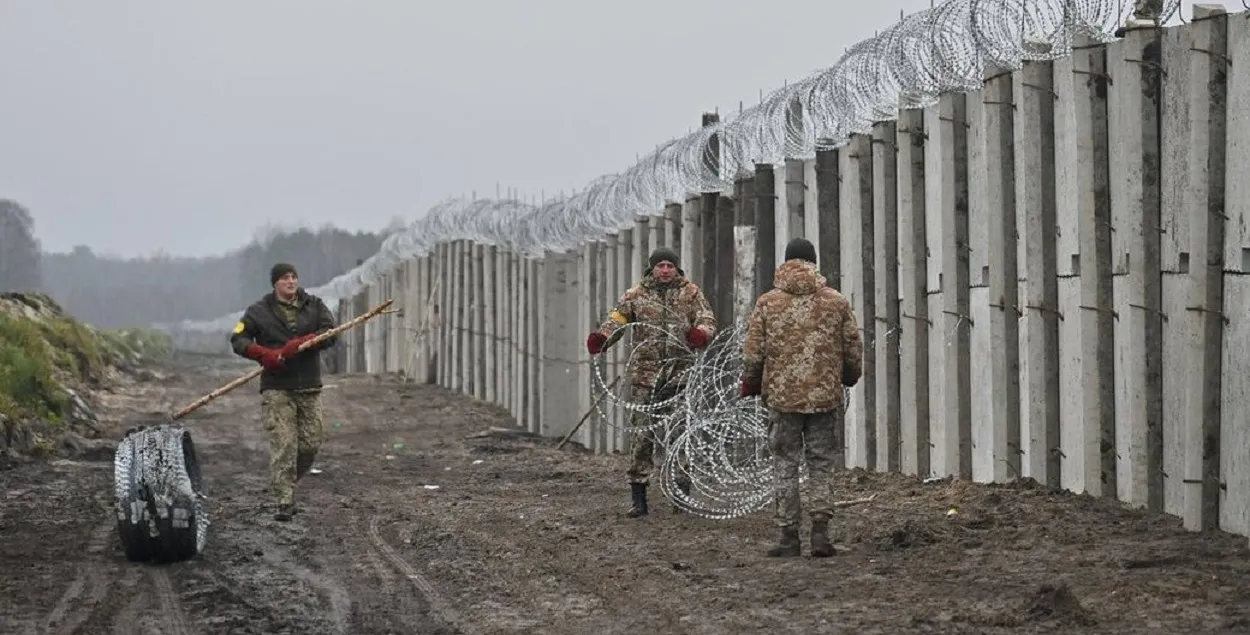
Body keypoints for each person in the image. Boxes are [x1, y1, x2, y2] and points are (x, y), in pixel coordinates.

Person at [740, 238, 862, 557]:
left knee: (785, 463)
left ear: (786, 262)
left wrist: (751, 383)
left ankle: (788, 536)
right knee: (821, 463)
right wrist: (848, 376)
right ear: (813, 262)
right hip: (824, 397)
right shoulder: (836, 301)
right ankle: (820, 534)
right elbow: (852, 345)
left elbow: (753, 353)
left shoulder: (768, 302)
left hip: (782, 399)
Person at [586, 246, 717, 518]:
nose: (665, 270)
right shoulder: (635, 296)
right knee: (642, 436)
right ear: (652, 268)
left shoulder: (690, 293)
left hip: (680, 376)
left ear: (676, 268)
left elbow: (707, 319)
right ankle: (639, 497)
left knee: (680, 435)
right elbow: (616, 321)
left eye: (670, 265)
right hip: (645, 378)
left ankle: (681, 495)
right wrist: (602, 339)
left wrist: (700, 334)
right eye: (661, 266)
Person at [230, 263, 339, 522]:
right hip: (277, 387)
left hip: (309, 385)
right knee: (284, 443)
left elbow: (331, 333)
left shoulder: (313, 305)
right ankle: (284, 500)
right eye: (284, 278)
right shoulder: (258, 312)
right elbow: (238, 339)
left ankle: (287, 481)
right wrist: (262, 354)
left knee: (310, 443)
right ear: (275, 284)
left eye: (293, 277)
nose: (290, 282)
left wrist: (304, 342)